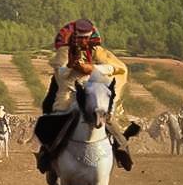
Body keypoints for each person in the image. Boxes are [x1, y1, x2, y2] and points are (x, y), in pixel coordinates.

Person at [36, 19, 135, 172]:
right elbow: (60, 73)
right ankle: (47, 154)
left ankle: (121, 148)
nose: (82, 41)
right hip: (70, 93)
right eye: (79, 37)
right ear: (74, 36)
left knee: (105, 115)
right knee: (58, 117)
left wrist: (91, 68)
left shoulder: (98, 51)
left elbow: (117, 67)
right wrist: (71, 66)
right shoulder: (64, 51)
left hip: (92, 90)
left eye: (85, 38)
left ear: (90, 37)